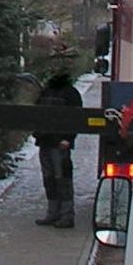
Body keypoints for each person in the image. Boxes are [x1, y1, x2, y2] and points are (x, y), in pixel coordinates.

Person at [33, 72, 82, 228]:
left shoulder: (70, 93)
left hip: (60, 143)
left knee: (63, 179)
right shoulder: (46, 91)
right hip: (45, 142)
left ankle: (66, 215)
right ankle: (53, 212)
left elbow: (76, 117)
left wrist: (68, 138)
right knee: (49, 179)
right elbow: (37, 114)